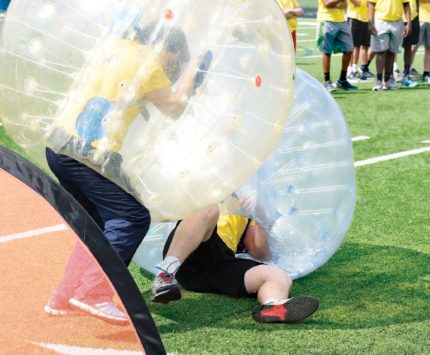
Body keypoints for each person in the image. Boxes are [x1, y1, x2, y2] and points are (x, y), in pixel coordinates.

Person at [44, 23, 203, 324]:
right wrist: (194, 69)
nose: (172, 69)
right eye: (175, 61)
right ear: (168, 50)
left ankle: (64, 294)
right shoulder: (150, 64)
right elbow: (174, 107)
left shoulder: (116, 47)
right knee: (132, 217)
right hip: (87, 153)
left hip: (58, 146)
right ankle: (94, 291)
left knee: (97, 225)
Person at [150, 205, 320, 323]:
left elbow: (260, 252)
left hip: (220, 263)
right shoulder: (204, 183)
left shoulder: (246, 204)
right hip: (187, 253)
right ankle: (165, 275)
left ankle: (273, 306)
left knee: (278, 276)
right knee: (209, 209)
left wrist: (261, 218)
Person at [368, 0, 412, 91]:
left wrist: (409, 23)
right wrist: (371, 22)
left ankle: (388, 80)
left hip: (397, 21)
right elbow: (371, 4)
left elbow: (406, 4)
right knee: (381, 51)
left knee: (392, 51)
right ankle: (379, 81)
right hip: (380, 21)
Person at [317, 0, 358, 92]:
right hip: (326, 20)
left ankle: (342, 80)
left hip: (341, 21)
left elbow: (344, 5)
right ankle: (327, 81)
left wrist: (336, 3)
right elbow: (327, 4)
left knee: (349, 49)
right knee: (327, 51)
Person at [346, 0, 375, 81]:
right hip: (354, 17)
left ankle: (364, 69)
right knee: (354, 45)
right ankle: (351, 70)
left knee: (365, 45)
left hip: (366, 19)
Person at [401, 0, 420, 87]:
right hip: (398, 18)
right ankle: (389, 75)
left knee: (408, 47)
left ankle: (406, 75)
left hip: (413, 18)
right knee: (390, 49)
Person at [412, 0, 430, 83]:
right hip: (421, 19)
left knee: (429, 48)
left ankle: (426, 73)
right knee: (414, 47)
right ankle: (407, 70)